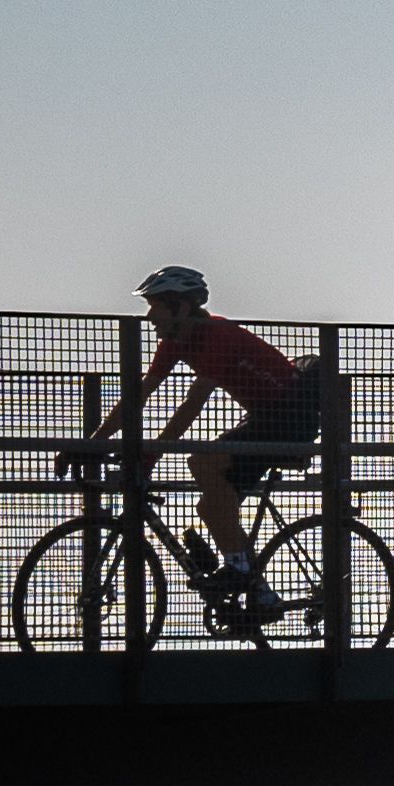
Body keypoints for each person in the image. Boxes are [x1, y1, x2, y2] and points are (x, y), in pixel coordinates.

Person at [84, 264, 328, 627]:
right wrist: (91, 444)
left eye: (156, 307)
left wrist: (150, 454)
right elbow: (140, 394)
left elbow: (192, 403)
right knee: (210, 507)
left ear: (181, 307)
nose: (150, 317)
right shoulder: (174, 342)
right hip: (263, 418)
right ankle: (261, 594)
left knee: (202, 463)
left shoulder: (216, 334)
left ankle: (238, 567)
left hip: (291, 417)